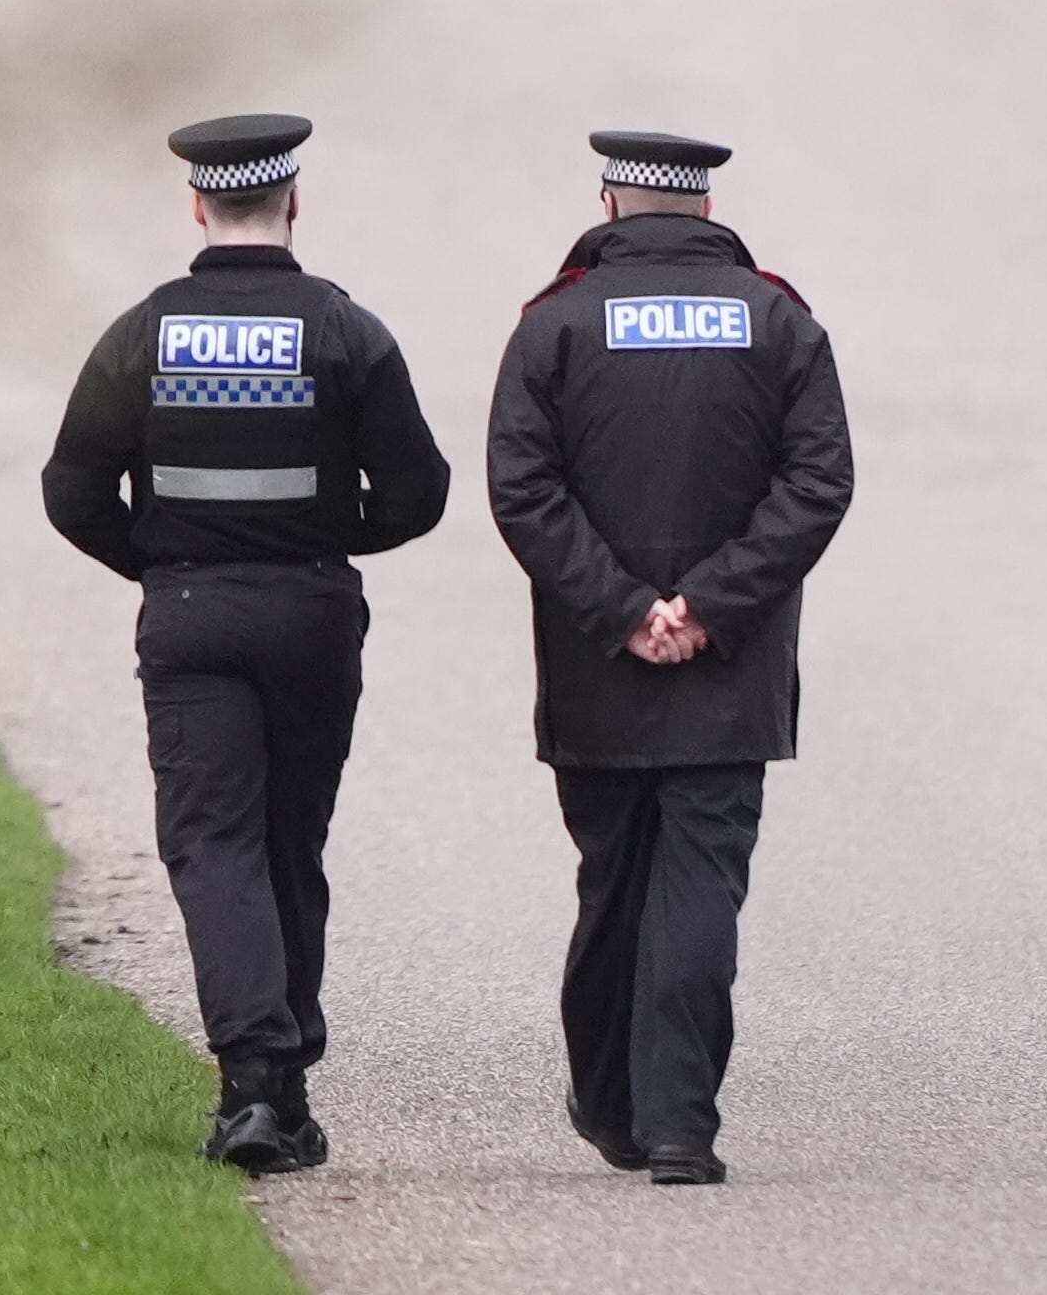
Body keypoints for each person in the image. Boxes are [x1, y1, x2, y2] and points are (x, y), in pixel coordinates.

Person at [41, 114, 452, 1176]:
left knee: (212, 844)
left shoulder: (144, 332)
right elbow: (420, 491)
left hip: (190, 612)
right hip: (312, 611)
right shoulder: (344, 330)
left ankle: (254, 1091)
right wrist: (323, 537)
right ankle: (288, 1087)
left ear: (196, 204)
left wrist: (160, 561)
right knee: (285, 842)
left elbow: (71, 487)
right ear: (293, 201)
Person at [487, 130, 854, 1188]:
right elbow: (817, 483)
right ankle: (681, 1125)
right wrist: (708, 605)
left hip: (600, 659)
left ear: (611, 201)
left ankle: (611, 1104)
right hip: (728, 668)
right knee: (700, 886)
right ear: (703, 208)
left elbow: (524, 487)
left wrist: (624, 608)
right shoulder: (780, 320)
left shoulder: (553, 323)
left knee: (613, 882)